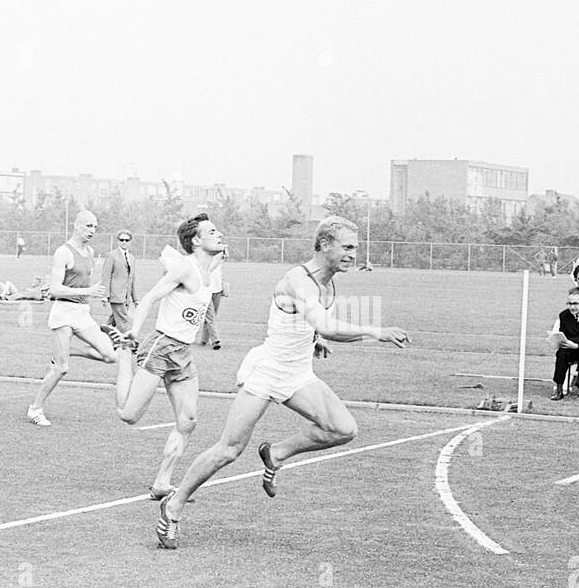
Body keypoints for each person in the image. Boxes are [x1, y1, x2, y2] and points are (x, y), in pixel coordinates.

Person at [157, 216, 409, 550]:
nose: (353, 255)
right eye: (347, 248)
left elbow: (313, 323)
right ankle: (172, 506)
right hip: (267, 371)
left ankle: (276, 453)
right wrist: (377, 332)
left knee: (343, 429)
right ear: (324, 245)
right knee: (229, 449)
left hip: (298, 373)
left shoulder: (329, 282)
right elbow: (327, 323)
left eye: (356, 249)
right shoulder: (298, 279)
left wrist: (314, 337)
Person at [114, 213, 226, 498]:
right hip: (162, 346)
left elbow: (217, 257)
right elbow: (150, 298)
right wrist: (133, 332)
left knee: (188, 420)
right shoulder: (183, 269)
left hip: (184, 353)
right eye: (211, 231)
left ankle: (162, 484)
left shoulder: (208, 268)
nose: (219, 234)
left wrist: (218, 252)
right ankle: (124, 355)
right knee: (128, 415)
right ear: (196, 240)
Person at [27, 210, 119, 427]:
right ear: (76, 226)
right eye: (88, 226)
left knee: (110, 355)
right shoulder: (63, 252)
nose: (92, 231)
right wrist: (89, 291)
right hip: (63, 312)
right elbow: (55, 290)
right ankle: (35, 409)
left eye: (95, 227)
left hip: (82, 313)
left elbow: (85, 287)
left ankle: (66, 351)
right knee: (61, 369)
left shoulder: (90, 252)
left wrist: (93, 294)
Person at [102, 229, 138, 336]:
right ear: (118, 241)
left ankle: (100, 339)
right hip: (116, 296)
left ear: (130, 242)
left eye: (127, 240)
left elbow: (132, 279)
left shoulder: (132, 258)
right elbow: (106, 276)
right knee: (124, 322)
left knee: (111, 323)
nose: (124, 242)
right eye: (121, 240)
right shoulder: (111, 255)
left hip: (126, 297)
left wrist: (135, 299)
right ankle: (130, 344)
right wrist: (105, 295)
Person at [198, 250, 228, 349]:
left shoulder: (220, 258)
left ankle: (204, 340)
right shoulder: (205, 258)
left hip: (217, 290)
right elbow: (208, 270)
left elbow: (225, 257)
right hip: (206, 291)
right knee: (211, 317)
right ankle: (216, 341)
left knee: (211, 317)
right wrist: (218, 259)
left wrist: (223, 255)